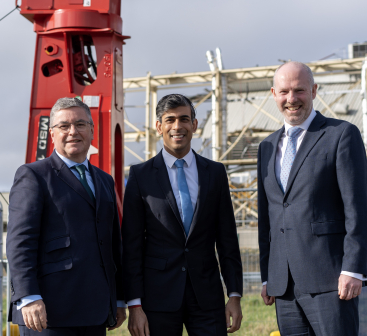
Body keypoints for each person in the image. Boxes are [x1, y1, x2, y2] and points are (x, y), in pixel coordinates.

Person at [257, 61, 367, 336]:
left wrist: (354, 270)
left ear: (314, 91)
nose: (291, 99)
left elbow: (357, 208)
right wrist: (267, 276)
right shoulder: (267, 147)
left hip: (331, 281)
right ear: (274, 94)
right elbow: (268, 217)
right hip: (283, 287)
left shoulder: (341, 134)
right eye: (284, 92)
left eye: (299, 90)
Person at [122, 94, 243, 336]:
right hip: (157, 299)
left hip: (207, 297)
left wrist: (234, 295)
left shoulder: (215, 174)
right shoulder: (140, 176)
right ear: (159, 127)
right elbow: (131, 245)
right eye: (170, 120)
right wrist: (134, 305)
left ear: (194, 125)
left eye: (184, 119)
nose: (177, 126)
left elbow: (227, 238)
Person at [7, 97, 127, 335]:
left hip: (95, 311)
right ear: (52, 133)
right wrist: (28, 296)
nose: (73, 131)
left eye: (80, 124)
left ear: (92, 130)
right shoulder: (33, 176)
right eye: (64, 126)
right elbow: (20, 242)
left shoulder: (104, 180)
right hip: (47, 312)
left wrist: (118, 299)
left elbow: (113, 244)